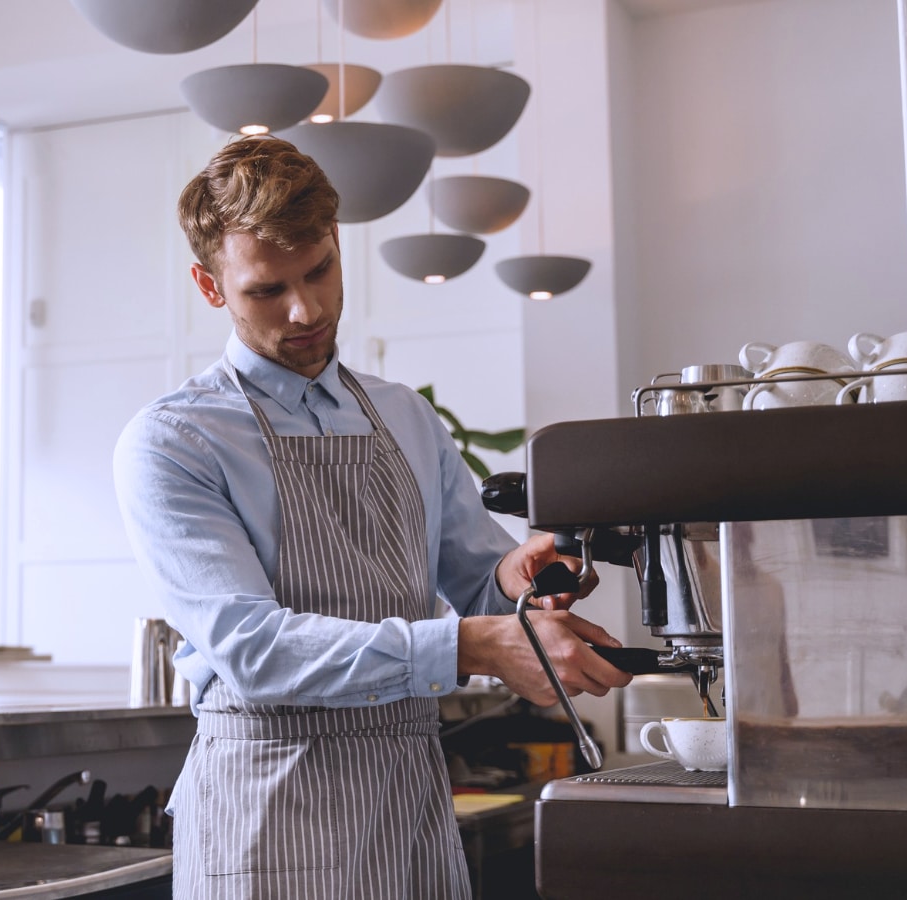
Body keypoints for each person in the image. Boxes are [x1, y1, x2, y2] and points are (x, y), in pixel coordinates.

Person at [112, 135, 632, 899]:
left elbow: (484, 590)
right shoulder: (174, 440)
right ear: (210, 286)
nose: (307, 309)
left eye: (320, 269)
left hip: (408, 797)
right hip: (268, 810)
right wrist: (473, 644)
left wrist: (523, 586)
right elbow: (255, 651)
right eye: (267, 290)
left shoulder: (404, 418)